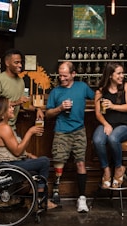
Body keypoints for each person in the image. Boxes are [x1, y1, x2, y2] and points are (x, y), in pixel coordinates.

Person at [0, 96, 56, 209]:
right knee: (45, 161)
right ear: (2, 113)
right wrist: (30, 132)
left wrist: (28, 154)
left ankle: (32, 198)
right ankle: (38, 199)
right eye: (9, 107)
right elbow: (17, 152)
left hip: (8, 162)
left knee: (38, 161)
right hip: (8, 166)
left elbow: (8, 148)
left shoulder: (0, 126)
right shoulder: (4, 128)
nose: (12, 108)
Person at [45, 61, 94, 213]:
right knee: (59, 162)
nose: (62, 78)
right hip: (61, 131)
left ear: (74, 74)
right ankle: (56, 192)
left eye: (65, 75)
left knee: (80, 163)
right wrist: (60, 108)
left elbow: (96, 98)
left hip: (79, 131)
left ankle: (82, 198)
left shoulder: (83, 87)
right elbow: (48, 114)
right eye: (60, 75)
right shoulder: (55, 92)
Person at [93, 62, 127, 189]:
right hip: (108, 123)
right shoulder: (100, 91)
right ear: (110, 75)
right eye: (118, 73)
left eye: (122, 73)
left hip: (125, 125)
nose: (122, 76)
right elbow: (98, 113)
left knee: (113, 138)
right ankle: (106, 170)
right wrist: (106, 124)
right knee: (98, 140)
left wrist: (113, 106)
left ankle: (119, 168)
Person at [0, 48, 44, 131]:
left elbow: (25, 105)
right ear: (7, 63)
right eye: (16, 62)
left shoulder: (21, 81)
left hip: (12, 127)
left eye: (20, 62)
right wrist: (16, 102)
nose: (20, 65)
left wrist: (37, 110)